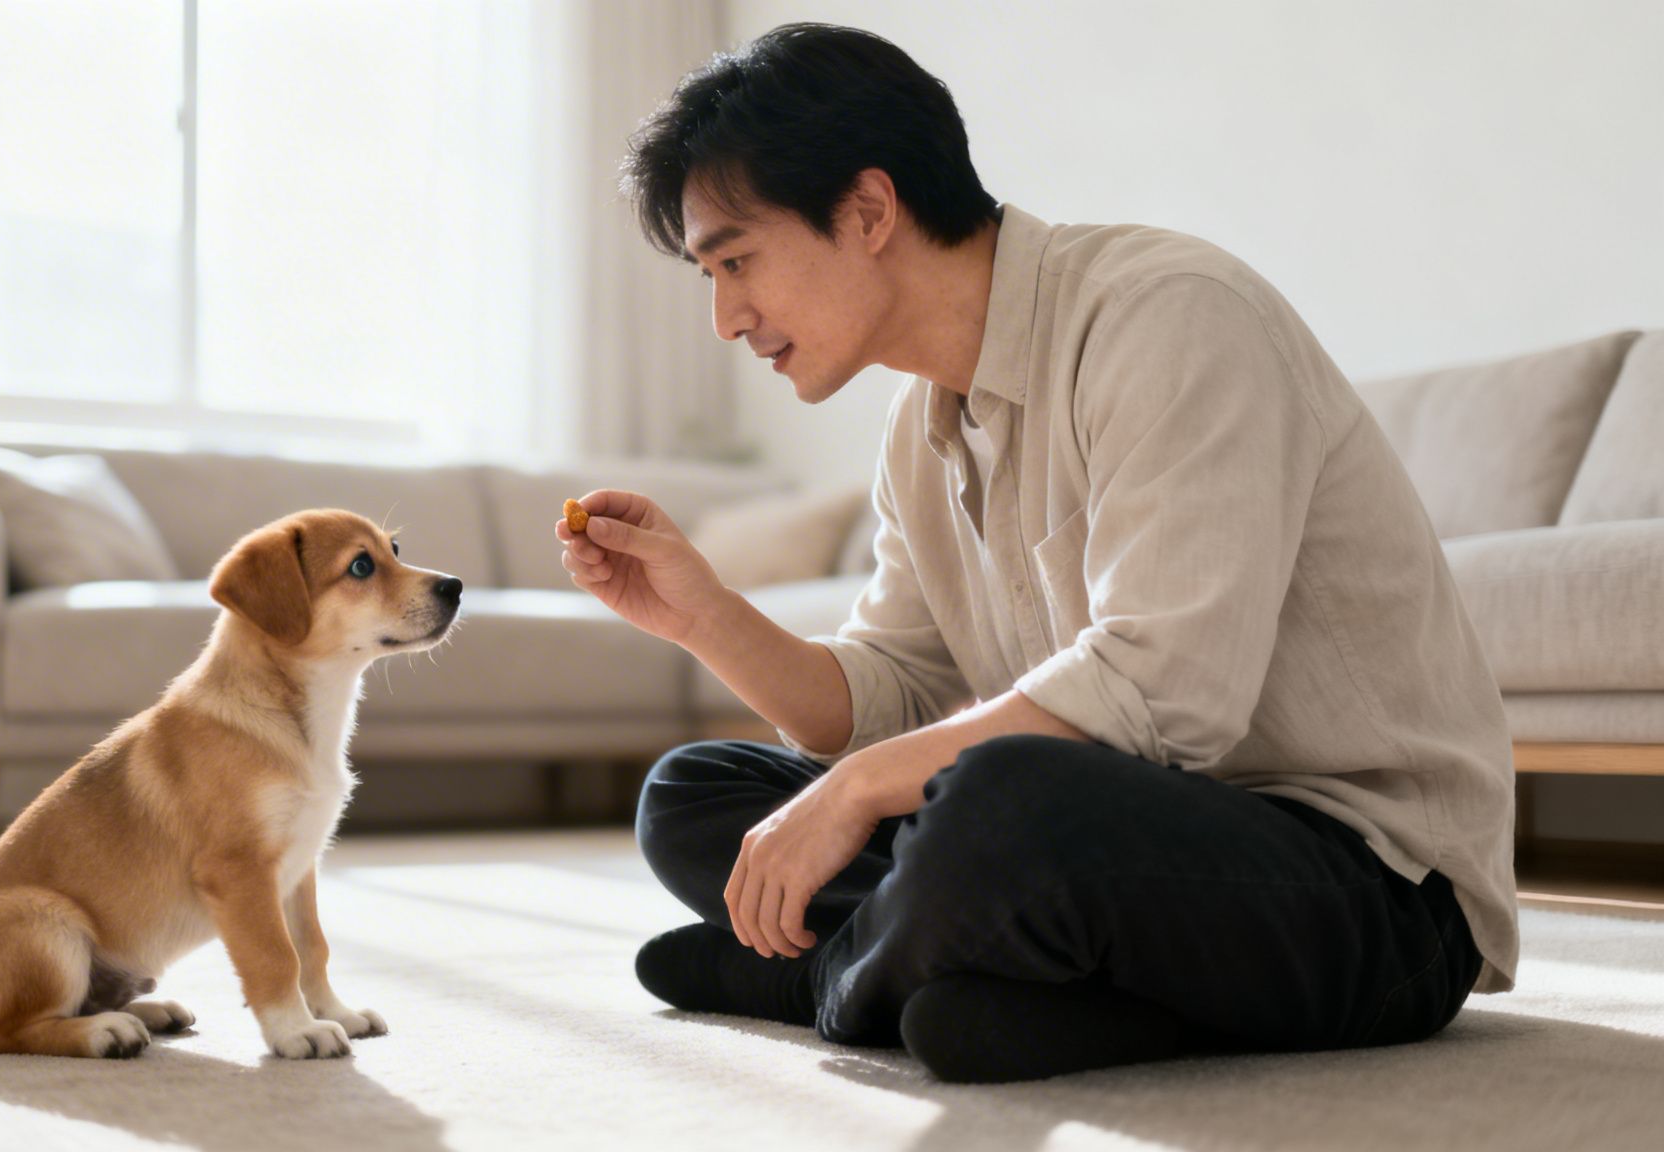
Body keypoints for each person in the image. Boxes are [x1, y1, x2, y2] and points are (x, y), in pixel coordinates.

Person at [554, 23, 1516, 1083]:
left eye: (734, 261)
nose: (726, 318)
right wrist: (704, 617)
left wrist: (853, 794)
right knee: (693, 794)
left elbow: (1164, 698)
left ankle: (819, 980)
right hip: (1124, 863)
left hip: (1369, 889)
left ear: (867, 210)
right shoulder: (918, 426)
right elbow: (891, 700)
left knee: (1003, 800)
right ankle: (962, 986)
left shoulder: (1166, 316)